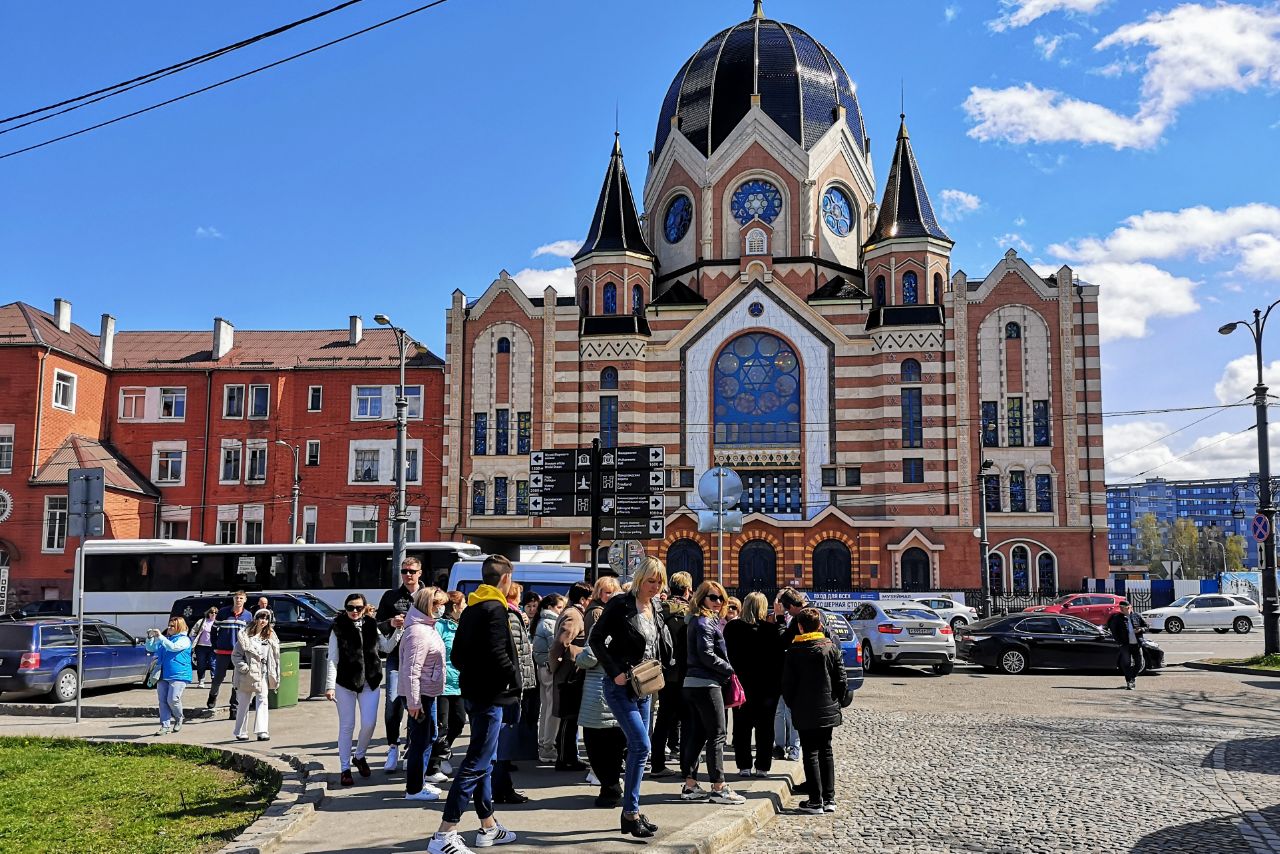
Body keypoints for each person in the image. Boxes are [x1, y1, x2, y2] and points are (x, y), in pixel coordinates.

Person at [427, 555, 521, 854]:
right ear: (505, 579)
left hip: (473, 691)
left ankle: (488, 826)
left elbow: (457, 657)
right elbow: (499, 654)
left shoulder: (471, 608)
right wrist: (512, 678)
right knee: (477, 762)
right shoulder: (495, 608)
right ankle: (444, 833)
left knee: (485, 761)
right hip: (490, 695)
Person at [590, 558, 673, 840]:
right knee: (641, 745)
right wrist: (615, 672)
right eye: (651, 580)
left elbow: (656, 644)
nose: (656, 586)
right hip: (621, 687)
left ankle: (631, 812)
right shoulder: (619, 604)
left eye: (660, 581)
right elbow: (596, 639)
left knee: (640, 750)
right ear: (639, 579)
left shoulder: (656, 607)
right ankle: (630, 812)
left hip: (646, 686)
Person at [679, 581, 744, 805]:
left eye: (721, 598)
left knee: (697, 734)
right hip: (706, 683)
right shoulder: (705, 622)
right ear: (701, 599)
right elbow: (706, 654)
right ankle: (719, 787)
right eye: (713, 597)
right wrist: (729, 668)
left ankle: (690, 785)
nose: (718, 602)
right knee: (717, 734)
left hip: (694, 683)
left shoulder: (697, 621)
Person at [781, 607, 847, 814]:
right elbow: (842, 679)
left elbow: (787, 685)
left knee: (810, 752)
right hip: (827, 707)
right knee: (826, 751)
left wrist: (792, 703)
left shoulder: (794, 651)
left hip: (803, 708)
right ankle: (830, 799)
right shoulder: (830, 647)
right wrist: (836, 700)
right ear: (820, 626)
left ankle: (815, 800)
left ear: (800, 627)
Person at [325, 592, 395, 786]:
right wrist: (330, 686)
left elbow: (387, 648)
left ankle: (360, 756)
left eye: (358, 608)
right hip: (345, 683)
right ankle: (345, 768)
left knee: (369, 723)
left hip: (370, 681)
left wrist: (398, 631)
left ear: (364, 608)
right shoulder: (338, 628)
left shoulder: (372, 625)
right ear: (345, 608)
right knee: (347, 726)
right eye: (350, 608)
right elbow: (332, 659)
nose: (354, 611)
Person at [724, 591, 784, 777]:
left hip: (740, 685)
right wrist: (780, 618)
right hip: (767, 688)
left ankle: (744, 766)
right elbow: (781, 654)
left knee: (741, 727)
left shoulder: (732, 628)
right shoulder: (771, 630)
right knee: (765, 728)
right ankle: (763, 767)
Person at [376, 557, 424, 771]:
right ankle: (393, 747)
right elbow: (378, 625)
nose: (408, 575)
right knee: (393, 702)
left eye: (412, 571)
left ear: (420, 573)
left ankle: (412, 747)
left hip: (422, 657)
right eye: (404, 571)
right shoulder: (391, 596)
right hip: (397, 656)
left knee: (417, 704)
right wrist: (390, 623)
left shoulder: (427, 595)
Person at [400, 587, 448, 800]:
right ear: (426, 605)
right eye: (437, 604)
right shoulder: (418, 632)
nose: (441, 608)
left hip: (428, 692)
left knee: (429, 737)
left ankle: (419, 782)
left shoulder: (427, 626)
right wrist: (414, 702)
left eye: (442, 604)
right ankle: (414, 788)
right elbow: (411, 671)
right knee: (420, 741)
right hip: (420, 695)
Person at [493, 580, 538, 804]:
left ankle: (501, 785)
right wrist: (518, 680)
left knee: (504, 738)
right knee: (504, 737)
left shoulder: (514, 614)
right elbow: (515, 653)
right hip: (511, 686)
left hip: (513, 684)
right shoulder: (510, 615)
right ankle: (500, 787)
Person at [574, 620, 625, 808]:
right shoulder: (636, 623)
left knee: (595, 744)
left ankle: (609, 788)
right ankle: (612, 785)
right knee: (616, 745)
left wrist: (578, 657)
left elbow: (588, 657)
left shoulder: (603, 627)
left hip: (597, 692)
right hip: (622, 690)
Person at [549, 582, 595, 772]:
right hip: (570, 673)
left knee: (570, 717)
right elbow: (560, 644)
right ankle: (565, 758)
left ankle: (567, 757)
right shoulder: (574, 615)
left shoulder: (573, 613)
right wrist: (556, 666)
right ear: (583, 599)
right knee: (570, 717)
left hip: (570, 672)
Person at [650, 571, 692, 777]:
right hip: (684, 672)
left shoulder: (658, 610)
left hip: (662, 672)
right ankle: (687, 766)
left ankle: (657, 763)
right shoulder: (688, 613)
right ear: (687, 589)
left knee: (663, 719)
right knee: (686, 720)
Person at [427, 591, 466, 782]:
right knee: (441, 725)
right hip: (442, 684)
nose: (465, 607)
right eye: (463, 604)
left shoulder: (462, 626)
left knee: (458, 722)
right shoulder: (440, 626)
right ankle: (433, 765)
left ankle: (445, 751)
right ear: (456, 607)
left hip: (459, 683)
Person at [232, 608, 280, 742]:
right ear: (255, 619)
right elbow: (236, 655)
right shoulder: (245, 636)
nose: (263, 621)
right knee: (243, 703)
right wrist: (244, 667)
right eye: (260, 617)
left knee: (263, 700)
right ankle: (241, 731)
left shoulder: (271, 636)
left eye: (265, 618)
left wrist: (274, 672)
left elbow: (275, 657)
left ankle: (262, 731)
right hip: (246, 675)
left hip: (263, 673)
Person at [531, 594, 566, 764]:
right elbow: (557, 647)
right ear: (550, 607)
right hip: (550, 668)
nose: (562, 611)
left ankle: (544, 743)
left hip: (543, 667)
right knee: (552, 709)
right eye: (560, 607)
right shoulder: (551, 623)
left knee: (546, 707)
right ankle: (548, 746)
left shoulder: (541, 621)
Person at [208, 591, 253, 718]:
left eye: (241, 598)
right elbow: (213, 629)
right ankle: (212, 696)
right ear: (233, 599)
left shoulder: (248, 616)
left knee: (237, 681)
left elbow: (250, 635)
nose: (238, 600)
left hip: (239, 653)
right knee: (218, 677)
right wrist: (215, 645)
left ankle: (234, 708)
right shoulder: (223, 612)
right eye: (236, 598)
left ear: (245, 600)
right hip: (223, 651)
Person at [146, 616, 193, 735]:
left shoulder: (184, 639)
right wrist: (150, 637)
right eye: (169, 625)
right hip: (162, 673)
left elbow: (173, 648)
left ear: (179, 627)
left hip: (178, 674)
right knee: (162, 701)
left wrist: (160, 637)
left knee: (172, 699)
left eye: (172, 626)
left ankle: (179, 717)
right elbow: (151, 648)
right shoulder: (165, 639)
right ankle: (165, 726)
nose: (169, 628)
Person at [1107, 600, 1149, 690]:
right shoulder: (1117, 618)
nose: (1121, 609)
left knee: (1139, 663)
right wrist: (1119, 642)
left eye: (1124, 608)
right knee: (1126, 663)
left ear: (1129, 607)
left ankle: (1132, 678)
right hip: (1125, 645)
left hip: (1137, 644)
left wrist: (1140, 630)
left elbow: (1147, 626)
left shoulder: (1137, 616)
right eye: (1120, 608)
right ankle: (1129, 682)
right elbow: (1114, 631)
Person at [188, 607, 218, 688]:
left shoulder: (218, 623)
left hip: (213, 647)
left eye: (215, 613)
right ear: (208, 613)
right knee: (201, 664)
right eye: (212, 612)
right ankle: (201, 681)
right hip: (201, 647)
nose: (213, 614)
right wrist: (193, 640)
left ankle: (214, 681)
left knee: (213, 664)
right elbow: (193, 631)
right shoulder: (202, 621)